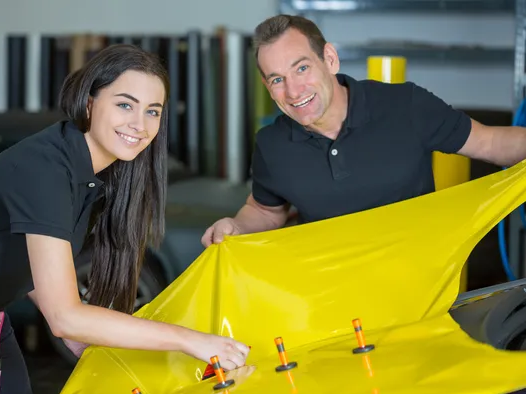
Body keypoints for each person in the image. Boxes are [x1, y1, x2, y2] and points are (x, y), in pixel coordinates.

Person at [0, 44, 249, 394]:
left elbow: (32, 268)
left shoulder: (87, 174)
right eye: (125, 104)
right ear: (90, 102)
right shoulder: (47, 168)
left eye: (152, 111)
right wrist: (191, 340)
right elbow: (64, 315)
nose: (139, 125)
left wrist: (82, 338)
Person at [201, 14, 526, 247]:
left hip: (419, 289)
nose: (294, 90)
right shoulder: (271, 144)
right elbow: (265, 211)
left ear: (329, 59)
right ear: (267, 86)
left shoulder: (406, 105)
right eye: (277, 79)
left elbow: (491, 143)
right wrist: (236, 226)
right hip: (329, 300)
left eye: (302, 68)